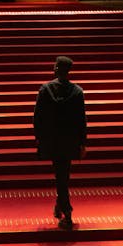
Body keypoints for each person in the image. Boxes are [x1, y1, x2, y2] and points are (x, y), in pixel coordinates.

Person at [33, 56, 87, 229]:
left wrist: (39, 138)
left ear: (56, 69)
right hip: (69, 140)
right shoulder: (77, 92)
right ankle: (60, 207)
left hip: (52, 140)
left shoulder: (45, 90)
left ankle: (67, 213)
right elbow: (81, 119)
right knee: (63, 174)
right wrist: (82, 142)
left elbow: (37, 117)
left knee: (60, 175)